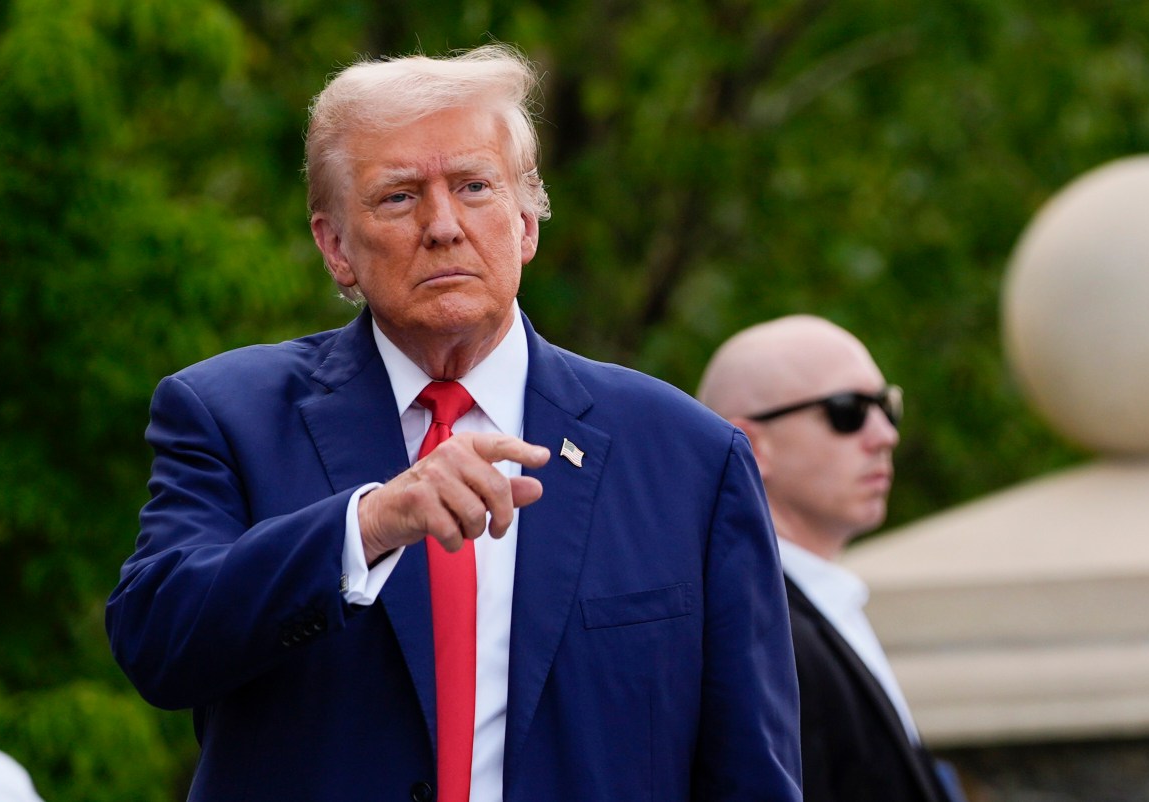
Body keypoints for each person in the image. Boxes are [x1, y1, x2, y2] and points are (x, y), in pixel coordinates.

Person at [106, 44, 802, 802]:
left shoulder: (688, 458)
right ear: (336, 247)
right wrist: (368, 526)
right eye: (398, 197)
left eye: (473, 187)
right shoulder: (227, 415)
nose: (443, 226)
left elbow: (750, 773)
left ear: (526, 224)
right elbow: (158, 642)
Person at [698, 315, 963, 802]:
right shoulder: (754, 628)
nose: (885, 435)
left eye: (887, 406)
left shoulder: (811, 605)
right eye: (848, 411)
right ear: (750, 446)